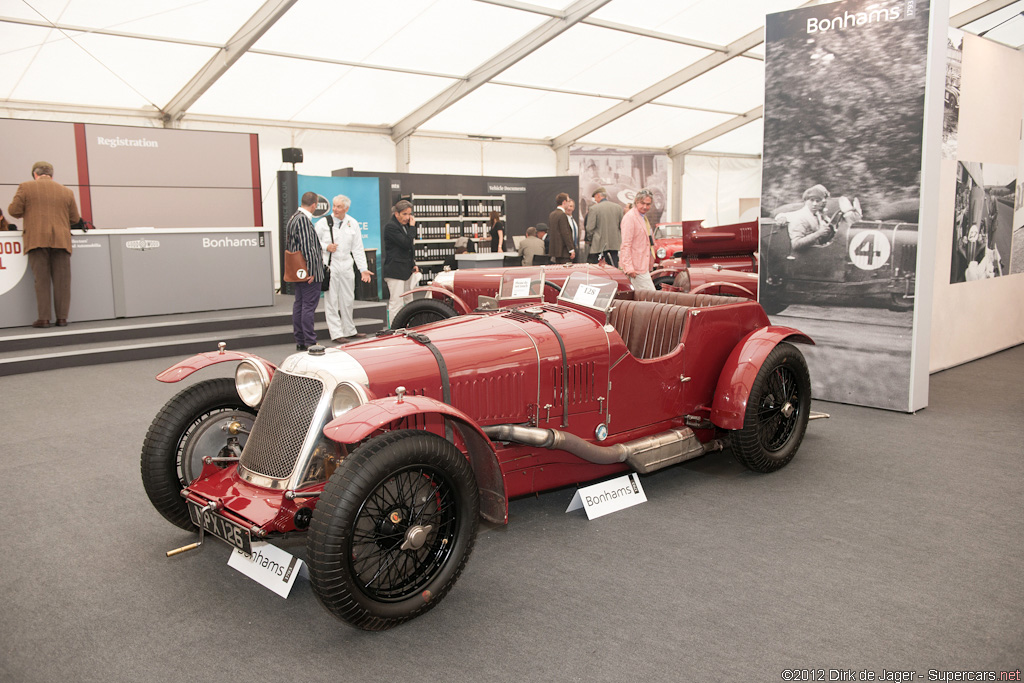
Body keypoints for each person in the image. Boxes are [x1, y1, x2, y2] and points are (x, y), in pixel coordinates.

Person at [7, 161, 81, 328]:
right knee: (62, 281)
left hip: (37, 240)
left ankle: (44, 319)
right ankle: (62, 318)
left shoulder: (25, 187)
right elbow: (75, 218)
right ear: (52, 175)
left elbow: (14, 211)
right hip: (61, 241)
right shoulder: (66, 191)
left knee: (42, 280)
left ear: (35, 174)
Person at [315, 194, 372, 343]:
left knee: (348, 299)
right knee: (332, 300)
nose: (335, 209)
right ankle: (336, 333)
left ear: (346, 208)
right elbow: (313, 242)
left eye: (339, 206)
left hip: (346, 264)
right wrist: (326, 247)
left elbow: (358, 248)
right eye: (334, 206)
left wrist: (363, 269)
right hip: (330, 265)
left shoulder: (352, 223)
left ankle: (349, 330)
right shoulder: (323, 223)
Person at [286, 191, 324, 350]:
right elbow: (308, 248)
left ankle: (301, 339)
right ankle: (309, 341)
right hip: (307, 272)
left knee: (300, 305)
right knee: (307, 306)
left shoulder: (294, 217)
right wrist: (313, 271)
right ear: (314, 205)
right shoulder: (303, 220)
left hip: (299, 271)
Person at [382, 199, 419, 325]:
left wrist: (413, 264)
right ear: (396, 214)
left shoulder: (405, 226)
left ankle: (410, 325)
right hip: (395, 270)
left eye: (409, 214)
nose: (408, 217)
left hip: (407, 269)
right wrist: (412, 228)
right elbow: (406, 243)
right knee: (396, 302)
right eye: (405, 214)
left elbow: (410, 248)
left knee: (410, 300)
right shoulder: (391, 227)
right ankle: (394, 328)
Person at [774, 184, 835, 253]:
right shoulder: (801, 215)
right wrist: (781, 217)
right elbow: (796, 244)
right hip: (808, 253)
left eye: (818, 200)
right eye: (812, 200)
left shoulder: (818, 214)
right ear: (806, 201)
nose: (815, 204)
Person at [618, 188, 657, 291]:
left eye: (648, 204)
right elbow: (626, 244)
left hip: (642, 266)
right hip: (635, 268)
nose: (645, 207)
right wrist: (628, 267)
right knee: (651, 297)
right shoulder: (630, 217)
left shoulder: (642, 217)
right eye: (642, 203)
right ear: (636, 202)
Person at [585, 186, 623, 267]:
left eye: (595, 197)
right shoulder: (618, 208)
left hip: (598, 246)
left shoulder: (594, 209)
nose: (595, 200)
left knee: (599, 271)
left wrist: (591, 239)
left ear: (598, 195)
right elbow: (621, 226)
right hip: (614, 244)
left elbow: (589, 228)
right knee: (614, 268)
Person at [547, 193, 576, 264]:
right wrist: (571, 249)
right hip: (564, 252)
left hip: (556, 252)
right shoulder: (562, 215)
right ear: (564, 202)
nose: (569, 203)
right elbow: (565, 233)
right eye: (568, 201)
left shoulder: (552, 214)